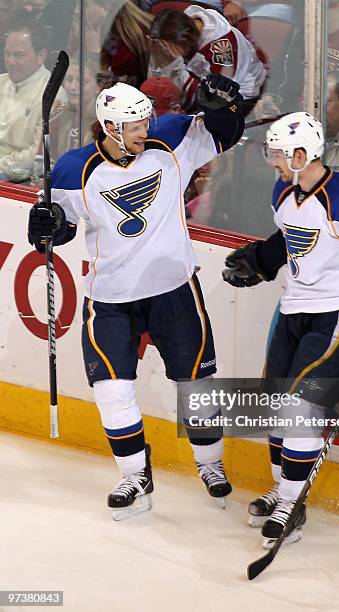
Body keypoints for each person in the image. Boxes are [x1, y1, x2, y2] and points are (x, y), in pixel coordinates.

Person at [27, 74, 245, 520]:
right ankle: (133, 473)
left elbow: (226, 134)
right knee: (112, 389)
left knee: (196, 386)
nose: (147, 130)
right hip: (111, 297)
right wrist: (45, 228)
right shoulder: (72, 170)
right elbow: (62, 231)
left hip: (173, 290)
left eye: (147, 121)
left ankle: (210, 464)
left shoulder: (169, 140)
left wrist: (225, 106)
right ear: (110, 129)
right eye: (136, 126)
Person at [222, 111, 339, 548]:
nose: (270, 160)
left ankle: (291, 504)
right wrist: (263, 260)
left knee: (300, 410)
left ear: (301, 155)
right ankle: (283, 489)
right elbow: (292, 238)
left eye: (277, 153)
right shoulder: (283, 191)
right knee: (271, 404)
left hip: (338, 313)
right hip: (295, 308)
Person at [148, 5, 267, 113]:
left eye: (168, 48)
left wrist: (175, 63)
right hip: (204, 82)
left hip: (239, 97)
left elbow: (219, 94)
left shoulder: (221, 49)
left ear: (184, 42)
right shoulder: (186, 23)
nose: (165, 51)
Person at [0, 13, 66, 182]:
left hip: (19, 179)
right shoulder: (1, 81)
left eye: (19, 55)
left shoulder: (53, 96)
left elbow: (36, 156)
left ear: (41, 56)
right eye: (7, 54)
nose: (10, 61)